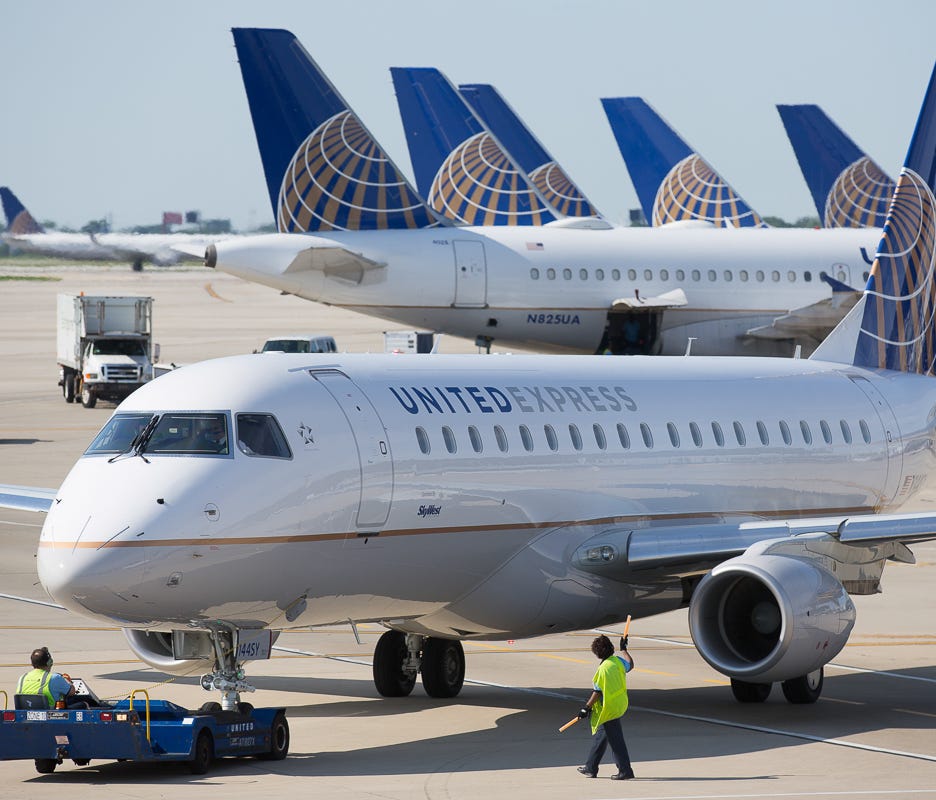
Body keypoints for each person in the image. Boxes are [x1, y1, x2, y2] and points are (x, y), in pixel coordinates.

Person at [575, 634, 635, 780]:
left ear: (597, 654)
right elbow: (630, 664)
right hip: (619, 704)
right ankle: (591, 767)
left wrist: (586, 708)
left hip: (608, 707)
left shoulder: (603, 669)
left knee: (616, 741)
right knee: (602, 737)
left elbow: (597, 692)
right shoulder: (618, 661)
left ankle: (625, 771)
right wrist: (624, 649)